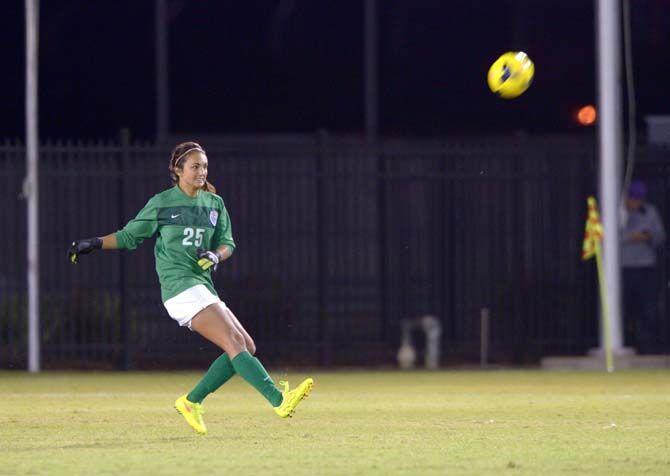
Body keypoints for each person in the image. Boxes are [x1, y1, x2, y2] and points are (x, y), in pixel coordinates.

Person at [67, 141, 313, 434]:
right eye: (195, 166)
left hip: (202, 286)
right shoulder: (162, 202)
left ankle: (191, 402)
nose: (201, 171)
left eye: (205, 166)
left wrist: (215, 255)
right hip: (178, 288)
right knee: (235, 344)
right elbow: (129, 236)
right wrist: (94, 243)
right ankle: (278, 399)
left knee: (246, 346)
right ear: (177, 170)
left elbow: (228, 244)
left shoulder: (214, 203)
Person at [620, 179, 666, 354]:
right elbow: (609, 238)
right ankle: (625, 341)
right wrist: (632, 237)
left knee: (646, 307)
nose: (635, 202)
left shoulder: (650, 212)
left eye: (639, 199)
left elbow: (659, 236)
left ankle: (647, 345)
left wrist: (646, 236)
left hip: (645, 267)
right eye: (633, 198)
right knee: (624, 307)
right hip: (623, 268)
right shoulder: (618, 213)